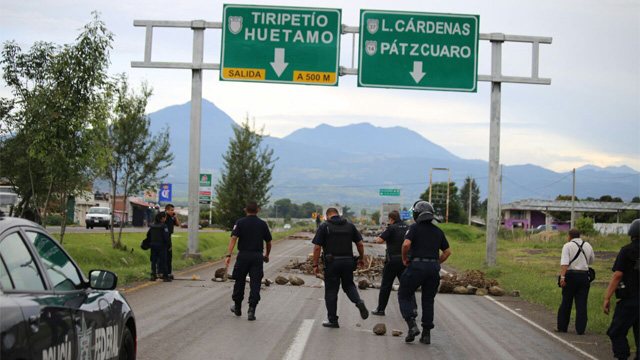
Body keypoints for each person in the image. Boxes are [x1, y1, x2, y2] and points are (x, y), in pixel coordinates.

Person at [398, 200, 451, 344]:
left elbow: (406, 244)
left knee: (404, 294)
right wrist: (436, 263)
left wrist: (404, 258)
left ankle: (412, 325)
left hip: (416, 267)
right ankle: (426, 335)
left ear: (416, 214)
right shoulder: (438, 231)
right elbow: (447, 252)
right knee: (428, 301)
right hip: (433, 270)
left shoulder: (414, 228)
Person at [312, 207, 369, 328]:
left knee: (331, 291)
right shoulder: (350, 226)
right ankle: (358, 302)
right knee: (348, 285)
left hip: (332, 263)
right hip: (348, 262)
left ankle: (333, 320)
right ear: (338, 215)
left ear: (327, 216)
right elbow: (360, 243)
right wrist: (361, 258)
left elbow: (317, 248)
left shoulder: (324, 226)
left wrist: (315, 265)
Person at [225, 201, 272, 321]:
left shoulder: (240, 222)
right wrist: (267, 254)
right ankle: (252, 309)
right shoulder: (262, 224)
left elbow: (234, 238)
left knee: (239, 280)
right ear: (258, 210)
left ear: (245, 210)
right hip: (257, 256)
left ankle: (237, 306)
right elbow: (268, 242)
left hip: (243, 255)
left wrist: (228, 255)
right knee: (255, 283)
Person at [603, 219, 639, 360]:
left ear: (631, 233)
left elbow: (618, 275)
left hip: (629, 301)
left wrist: (607, 298)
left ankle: (623, 356)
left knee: (616, 331)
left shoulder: (627, 250)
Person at [372, 210, 412, 316]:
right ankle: (413, 309)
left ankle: (381, 309)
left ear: (391, 219)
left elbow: (379, 241)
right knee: (407, 285)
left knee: (386, 285)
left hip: (392, 261)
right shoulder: (408, 227)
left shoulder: (391, 228)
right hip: (405, 261)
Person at [557, 228, 594, 335]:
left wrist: (563, 277)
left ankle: (562, 327)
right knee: (582, 303)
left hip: (571, 276)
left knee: (566, 302)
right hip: (584, 277)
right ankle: (581, 329)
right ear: (579, 236)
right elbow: (591, 260)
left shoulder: (567, 246)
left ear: (569, 236)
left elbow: (565, 263)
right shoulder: (588, 245)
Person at [147, 212, 171, 282]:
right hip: (161, 245)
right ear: (162, 218)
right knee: (163, 261)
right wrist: (169, 245)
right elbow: (166, 237)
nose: (165, 219)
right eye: (165, 217)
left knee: (153, 260)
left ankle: (153, 275)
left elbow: (148, 235)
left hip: (153, 244)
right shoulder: (164, 226)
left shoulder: (152, 225)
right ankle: (165, 277)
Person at [164, 204, 180, 279]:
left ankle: (169, 272)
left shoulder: (172, 217)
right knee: (164, 256)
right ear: (166, 210)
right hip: (163, 237)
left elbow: (178, 224)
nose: (172, 211)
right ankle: (163, 272)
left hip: (169, 236)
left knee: (169, 256)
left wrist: (175, 217)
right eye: (171, 210)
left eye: (173, 210)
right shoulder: (164, 217)